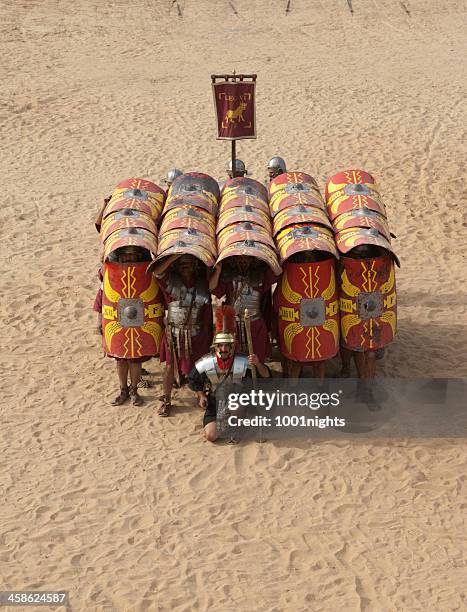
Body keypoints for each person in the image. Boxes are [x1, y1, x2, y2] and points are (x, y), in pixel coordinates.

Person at [188, 305, 271, 442]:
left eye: (227, 345)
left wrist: (257, 364)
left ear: (232, 346)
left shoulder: (243, 361)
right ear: (216, 346)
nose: (224, 348)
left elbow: (266, 376)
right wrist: (201, 395)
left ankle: (238, 427)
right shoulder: (207, 362)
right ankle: (229, 424)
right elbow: (192, 379)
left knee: (237, 404)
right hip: (216, 404)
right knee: (211, 435)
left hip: (238, 403)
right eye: (221, 345)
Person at [151, 253, 213, 417]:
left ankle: (201, 395)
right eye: (182, 264)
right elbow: (157, 272)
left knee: (200, 366)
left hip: (196, 332)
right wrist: (175, 256)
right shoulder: (171, 282)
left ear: (194, 266)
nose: (185, 267)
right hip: (174, 333)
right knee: (170, 367)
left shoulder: (202, 284)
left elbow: (207, 312)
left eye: (189, 263)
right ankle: (166, 400)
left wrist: (208, 334)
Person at [94, 245, 152, 406]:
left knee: (135, 358)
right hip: (117, 318)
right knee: (120, 359)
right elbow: (103, 298)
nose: (129, 259)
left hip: (138, 318)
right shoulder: (110, 274)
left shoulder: (145, 274)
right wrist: (100, 320)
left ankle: (134, 390)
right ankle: (123, 389)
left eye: (133, 256)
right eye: (126, 256)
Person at [209, 256, 277, 363]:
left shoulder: (259, 277)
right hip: (233, 325)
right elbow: (212, 288)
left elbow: (277, 273)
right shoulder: (229, 277)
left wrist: (269, 257)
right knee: (233, 360)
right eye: (240, 259)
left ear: (252, 260)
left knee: (256, 359)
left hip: (255, 324)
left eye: (246, 259)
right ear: (235, 261)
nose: (243, 262)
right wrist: (218, 270)